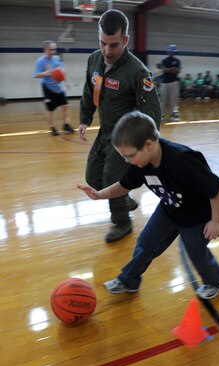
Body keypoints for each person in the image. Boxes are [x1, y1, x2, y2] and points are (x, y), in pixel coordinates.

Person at [77, 111, 219, 300]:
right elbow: (124, 185)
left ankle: (217, 280)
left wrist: (216, 221)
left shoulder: (182, 161)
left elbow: (217, 188)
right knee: (145, 244)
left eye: (129, 156)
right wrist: (99, 194)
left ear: (148, 144)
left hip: (196, 217)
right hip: (169, 209)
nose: (127, 161)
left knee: (195, 252)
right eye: (123, 156)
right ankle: (128, 280)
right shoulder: (140, 163)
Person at [78, 9, 161, 243]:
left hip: (125, 138)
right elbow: (89, 90)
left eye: (113, 45)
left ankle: (122, 222)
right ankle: (124, 199)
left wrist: (146, 148)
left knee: (111, 178)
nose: (107, 51)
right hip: (105, 132)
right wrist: (85, 118)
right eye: (103, 43)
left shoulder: (138, 72)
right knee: (93, 177)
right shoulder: (94, 59)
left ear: (125, 39)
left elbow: (152, 114)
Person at [34, 40, 75, 136]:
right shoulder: (40, 61)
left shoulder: (57, 59)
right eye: (50, 49)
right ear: (45, 50)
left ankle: (66, 124)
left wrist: (68, 82)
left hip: (59, 87)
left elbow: (62, 71)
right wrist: (46, 73)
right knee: (51, 110)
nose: (53, 51)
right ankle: (52, 127)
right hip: (48, 88)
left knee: (66, 106)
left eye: (54, 49)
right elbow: (36, 75)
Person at [160, 44, 181, 121]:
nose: (173, 53)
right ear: (168, 51)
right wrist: (172, 69)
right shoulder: (164, 60)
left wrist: (169, 70)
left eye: (174, 51)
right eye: (172, 51)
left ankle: (173, 116)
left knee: (173, 100)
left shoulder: (177, 61)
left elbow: (178, 70)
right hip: (165, 83)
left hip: (174, 83)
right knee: (163, 100)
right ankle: (162, 115)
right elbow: (163, 70)